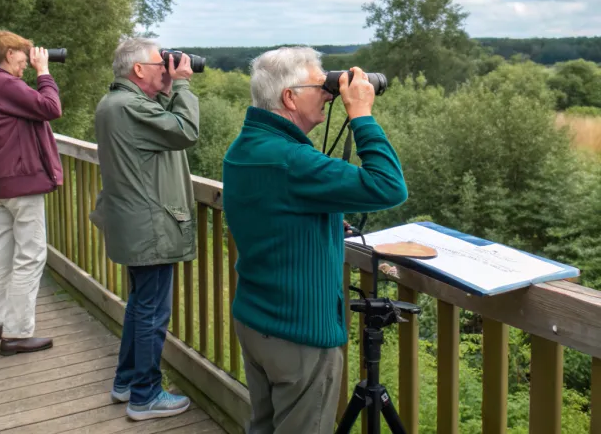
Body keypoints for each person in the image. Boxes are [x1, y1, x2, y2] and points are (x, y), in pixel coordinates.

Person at [222, 47, 408, 434]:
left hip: (257, 320)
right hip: (299, 334)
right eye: (319, 84)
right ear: (289, 97)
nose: (328, 92)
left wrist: (321, 221)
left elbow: (272, 210)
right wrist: (361, 115)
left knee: (264, 426)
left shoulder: (247, 146)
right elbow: (389, 186)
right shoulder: (291, 160)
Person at [91, 37, 199, 421]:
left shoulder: (115, 103)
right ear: (138, 70)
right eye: (160, 64)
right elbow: (185, 131)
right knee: (152, 312)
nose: (167, 68)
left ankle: (126, 382)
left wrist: (167, 90)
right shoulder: (130, 106)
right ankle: (145, 396)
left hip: (133, 223)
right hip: (149, 227)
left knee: (140, 307)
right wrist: (183, 84)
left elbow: (162, 130)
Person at [0, 30, 63, 356]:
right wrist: (44, 71)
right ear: (8, 54)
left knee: (1, 254)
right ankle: (18, 333)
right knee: (31, 255)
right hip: (21, 184)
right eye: (23, 57)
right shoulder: (5, 84)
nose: (26, 63)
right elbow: (50, 107)